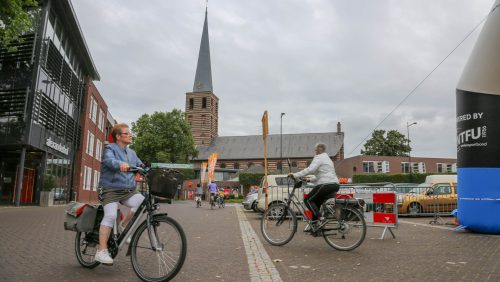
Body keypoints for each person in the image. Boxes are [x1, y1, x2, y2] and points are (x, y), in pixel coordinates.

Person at [95, 123, 145, 265]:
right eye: (127, 133)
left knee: (143, 202)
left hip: (128, 190)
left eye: (130, 133)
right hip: (110, 189)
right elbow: (109, 161)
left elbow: (141, 165)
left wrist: (148, 169)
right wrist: (120, 164)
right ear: (118, 136)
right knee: (110, 215)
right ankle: (101, 251)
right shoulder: (110, 148)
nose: (130, 135)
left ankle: (124, 225)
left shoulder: (132, 153)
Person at [288, 143, 339, 230]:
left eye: (315, 150)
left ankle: (321, 219)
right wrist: (309, 180)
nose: (314, 152)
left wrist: (295, 175)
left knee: (307, 200)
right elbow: (321, 175)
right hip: (334, 184)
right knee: (316, 202)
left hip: (325, 184)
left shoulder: (319, 157)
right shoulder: (328, 159)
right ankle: (315, 226)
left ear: (317, 151)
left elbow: (310, 169)